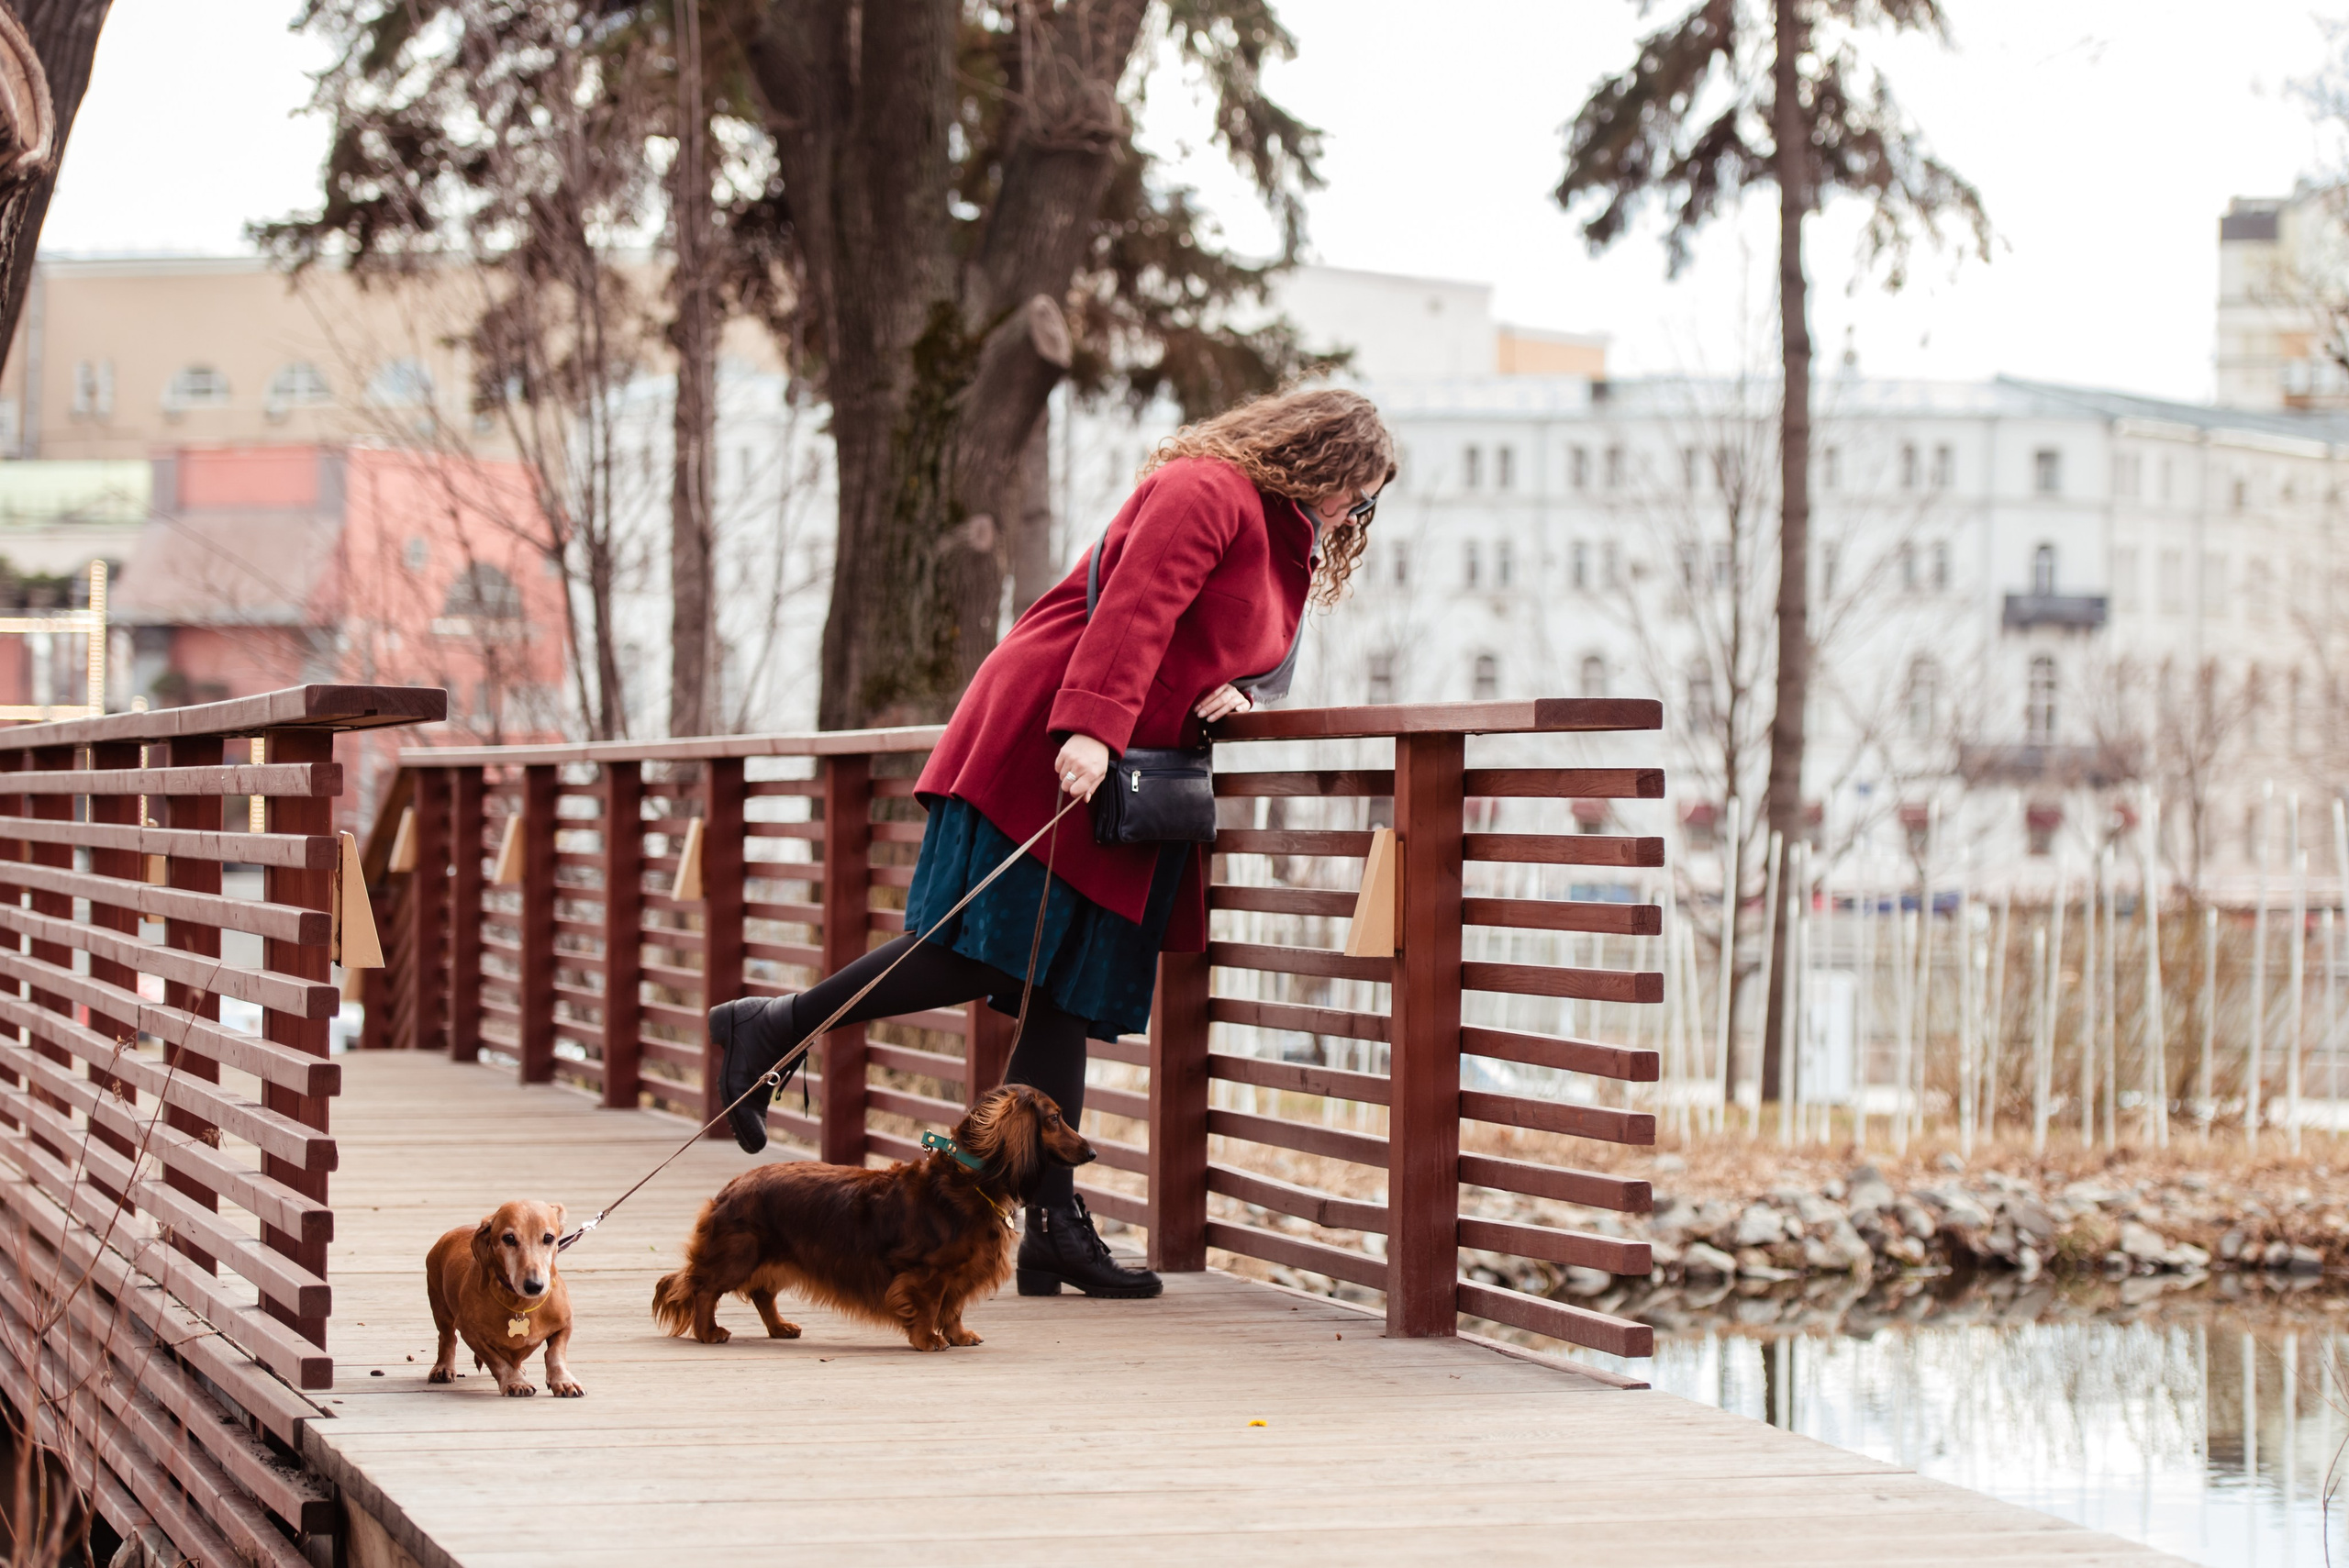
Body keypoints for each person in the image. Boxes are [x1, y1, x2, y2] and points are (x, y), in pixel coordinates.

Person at [708, 385, 1395, 1298]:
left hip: (1129, 771)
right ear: (1321, 460)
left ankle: (1050, 1224)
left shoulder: (1280, 539)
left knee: (1062, 993)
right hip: (1059, 740)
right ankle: (771, 1024)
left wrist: (1249, 690)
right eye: (1358, 494)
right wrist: (1092, 728)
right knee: (975, 949)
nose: (1355, 514)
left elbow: (1231, 643)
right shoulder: (1207, 488)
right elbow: (1136, 608)